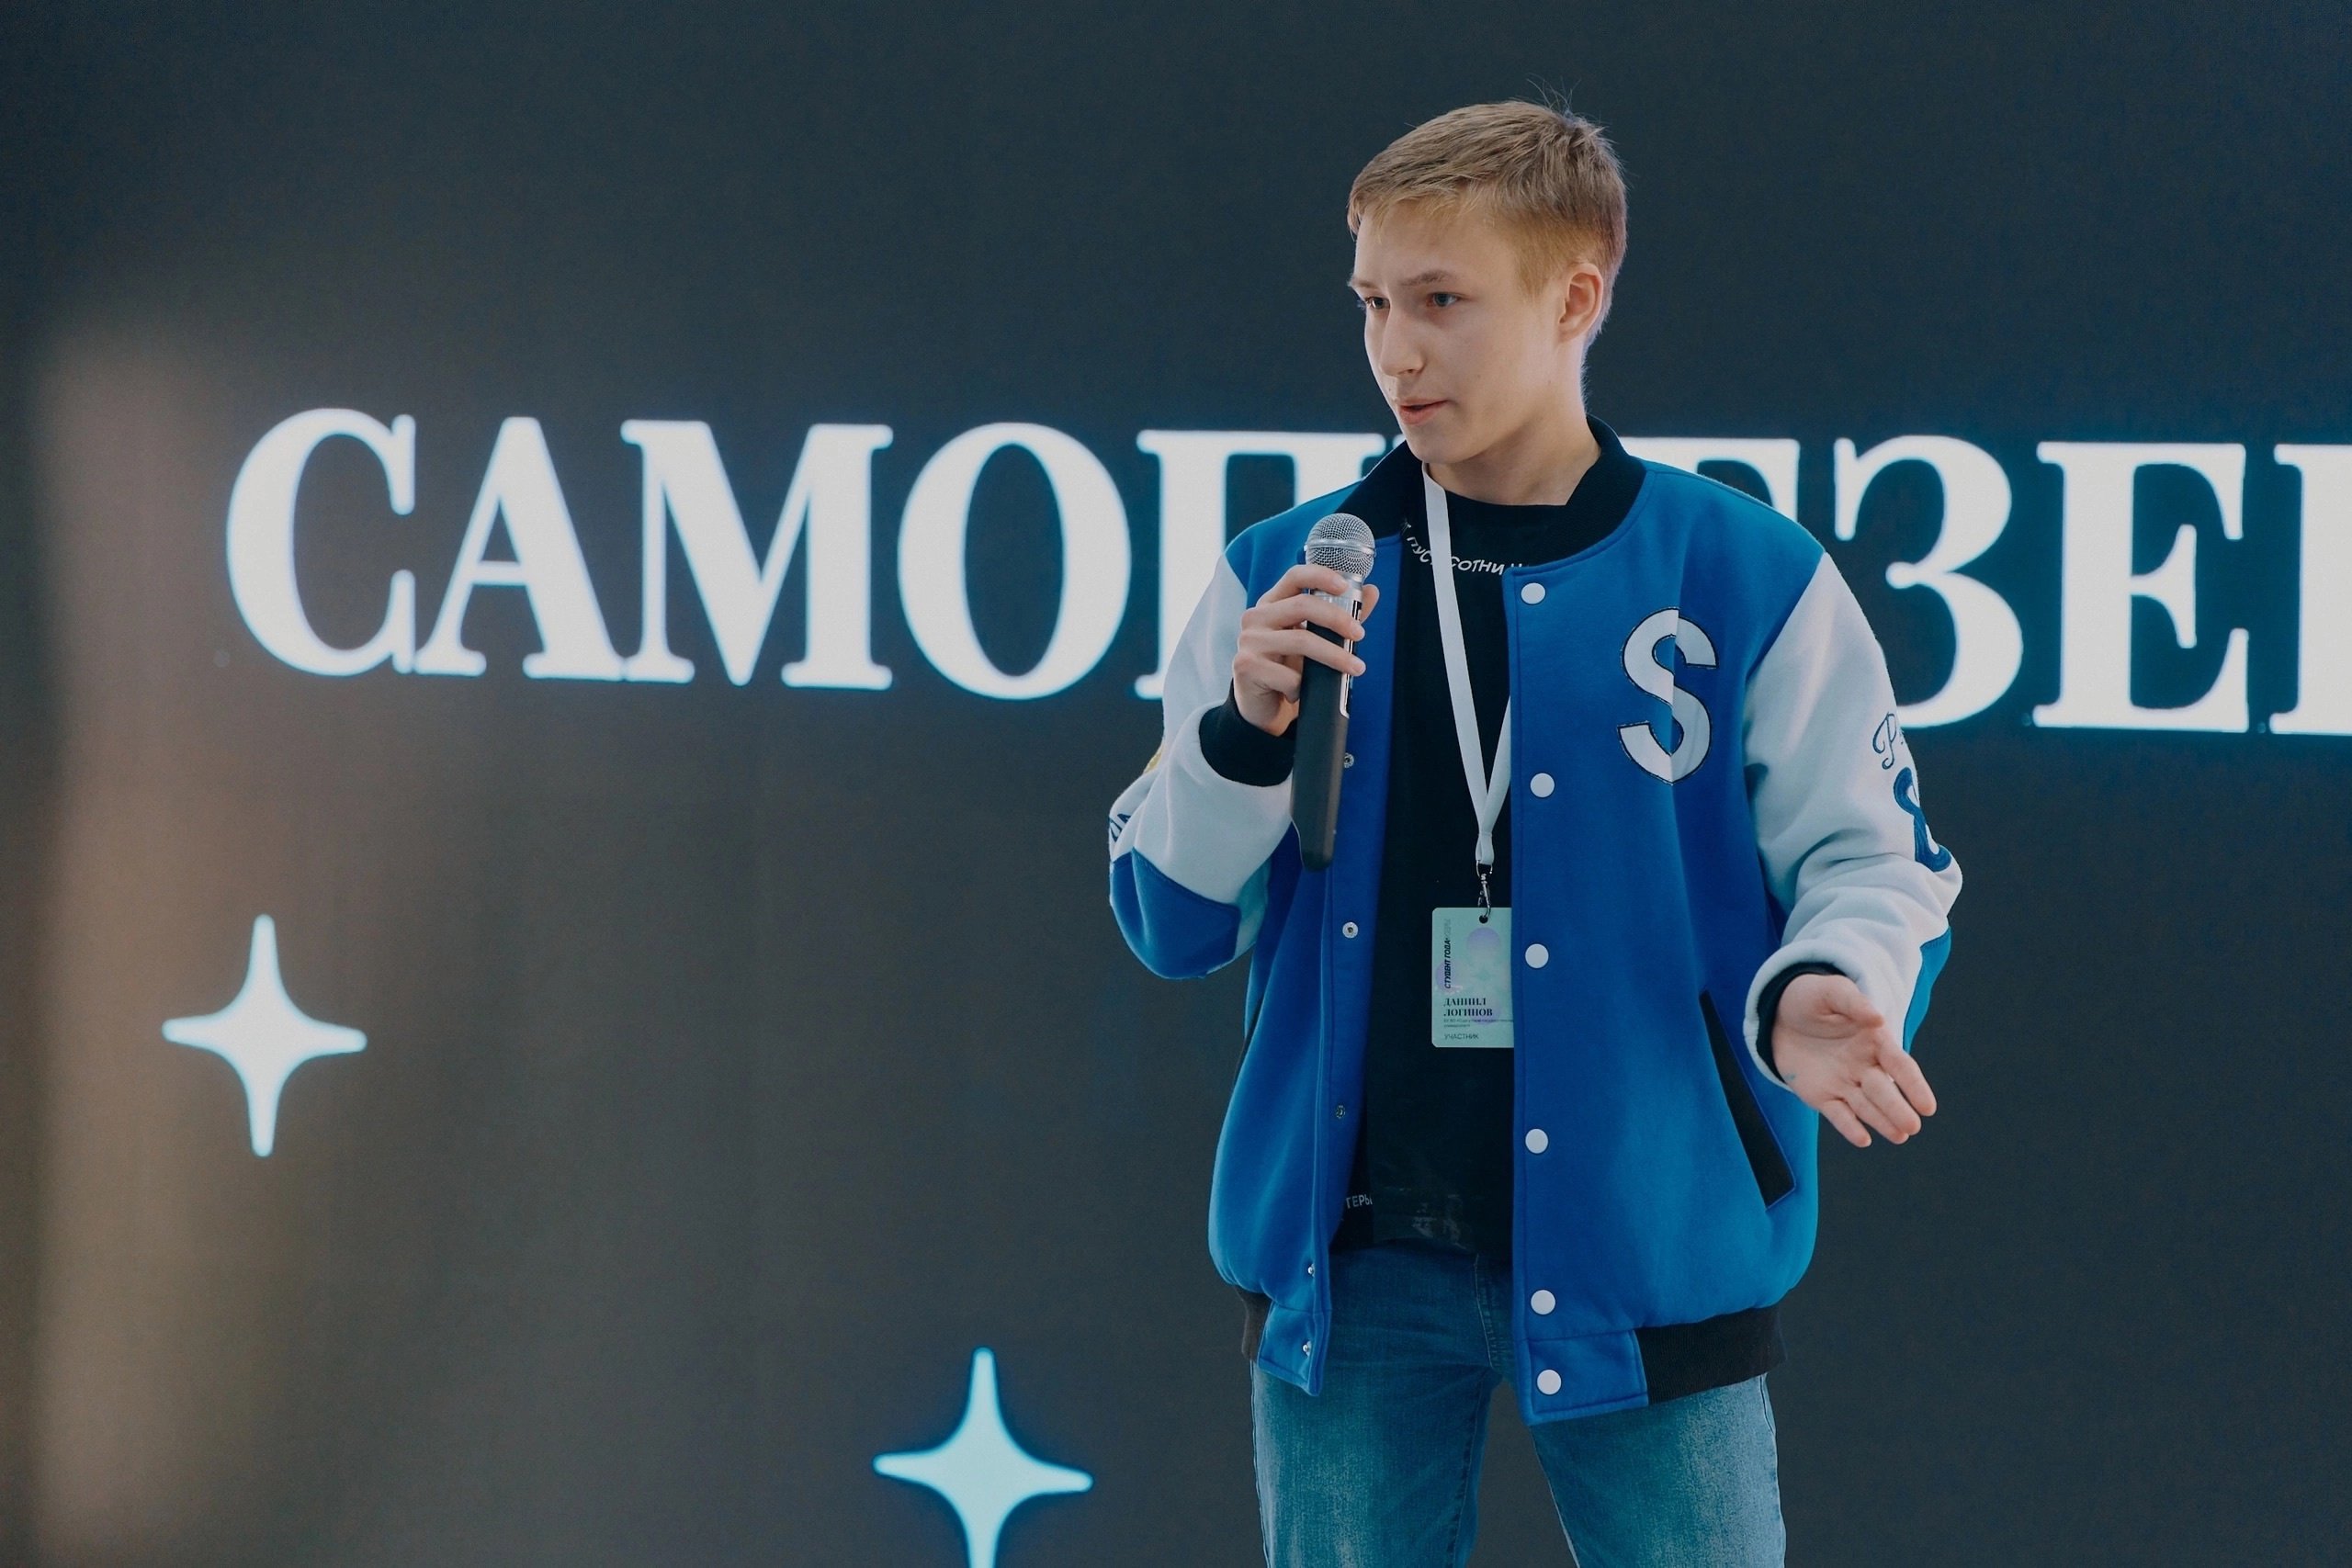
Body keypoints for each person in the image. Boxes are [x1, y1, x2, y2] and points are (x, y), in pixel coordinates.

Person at [1105, 99, 1960, 1567]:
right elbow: (1170, 922)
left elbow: (1877, 858)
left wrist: (1826, 984)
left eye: (1442, 301)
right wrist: (1246, 733)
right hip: (1351, 1265)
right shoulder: (1286, 574)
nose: (1396, 351)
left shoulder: (1740, 572)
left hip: (1651, 1246)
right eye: (1373, 302)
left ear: (1576, 298)